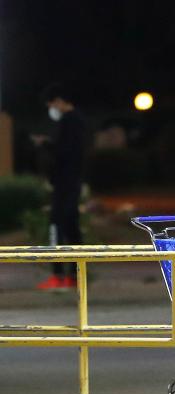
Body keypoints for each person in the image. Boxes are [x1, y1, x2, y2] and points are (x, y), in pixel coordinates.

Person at [35, 83, 87, 290]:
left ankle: (58, 275)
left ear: (58, 101)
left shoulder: (69, 121)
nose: (51, 109)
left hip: (65, 184)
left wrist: (46, 145)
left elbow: (64, 152)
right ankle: (76, 276)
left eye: (51, 104)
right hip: (72, 183)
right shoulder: (79, 121)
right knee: (72, 229)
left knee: (56, 225)